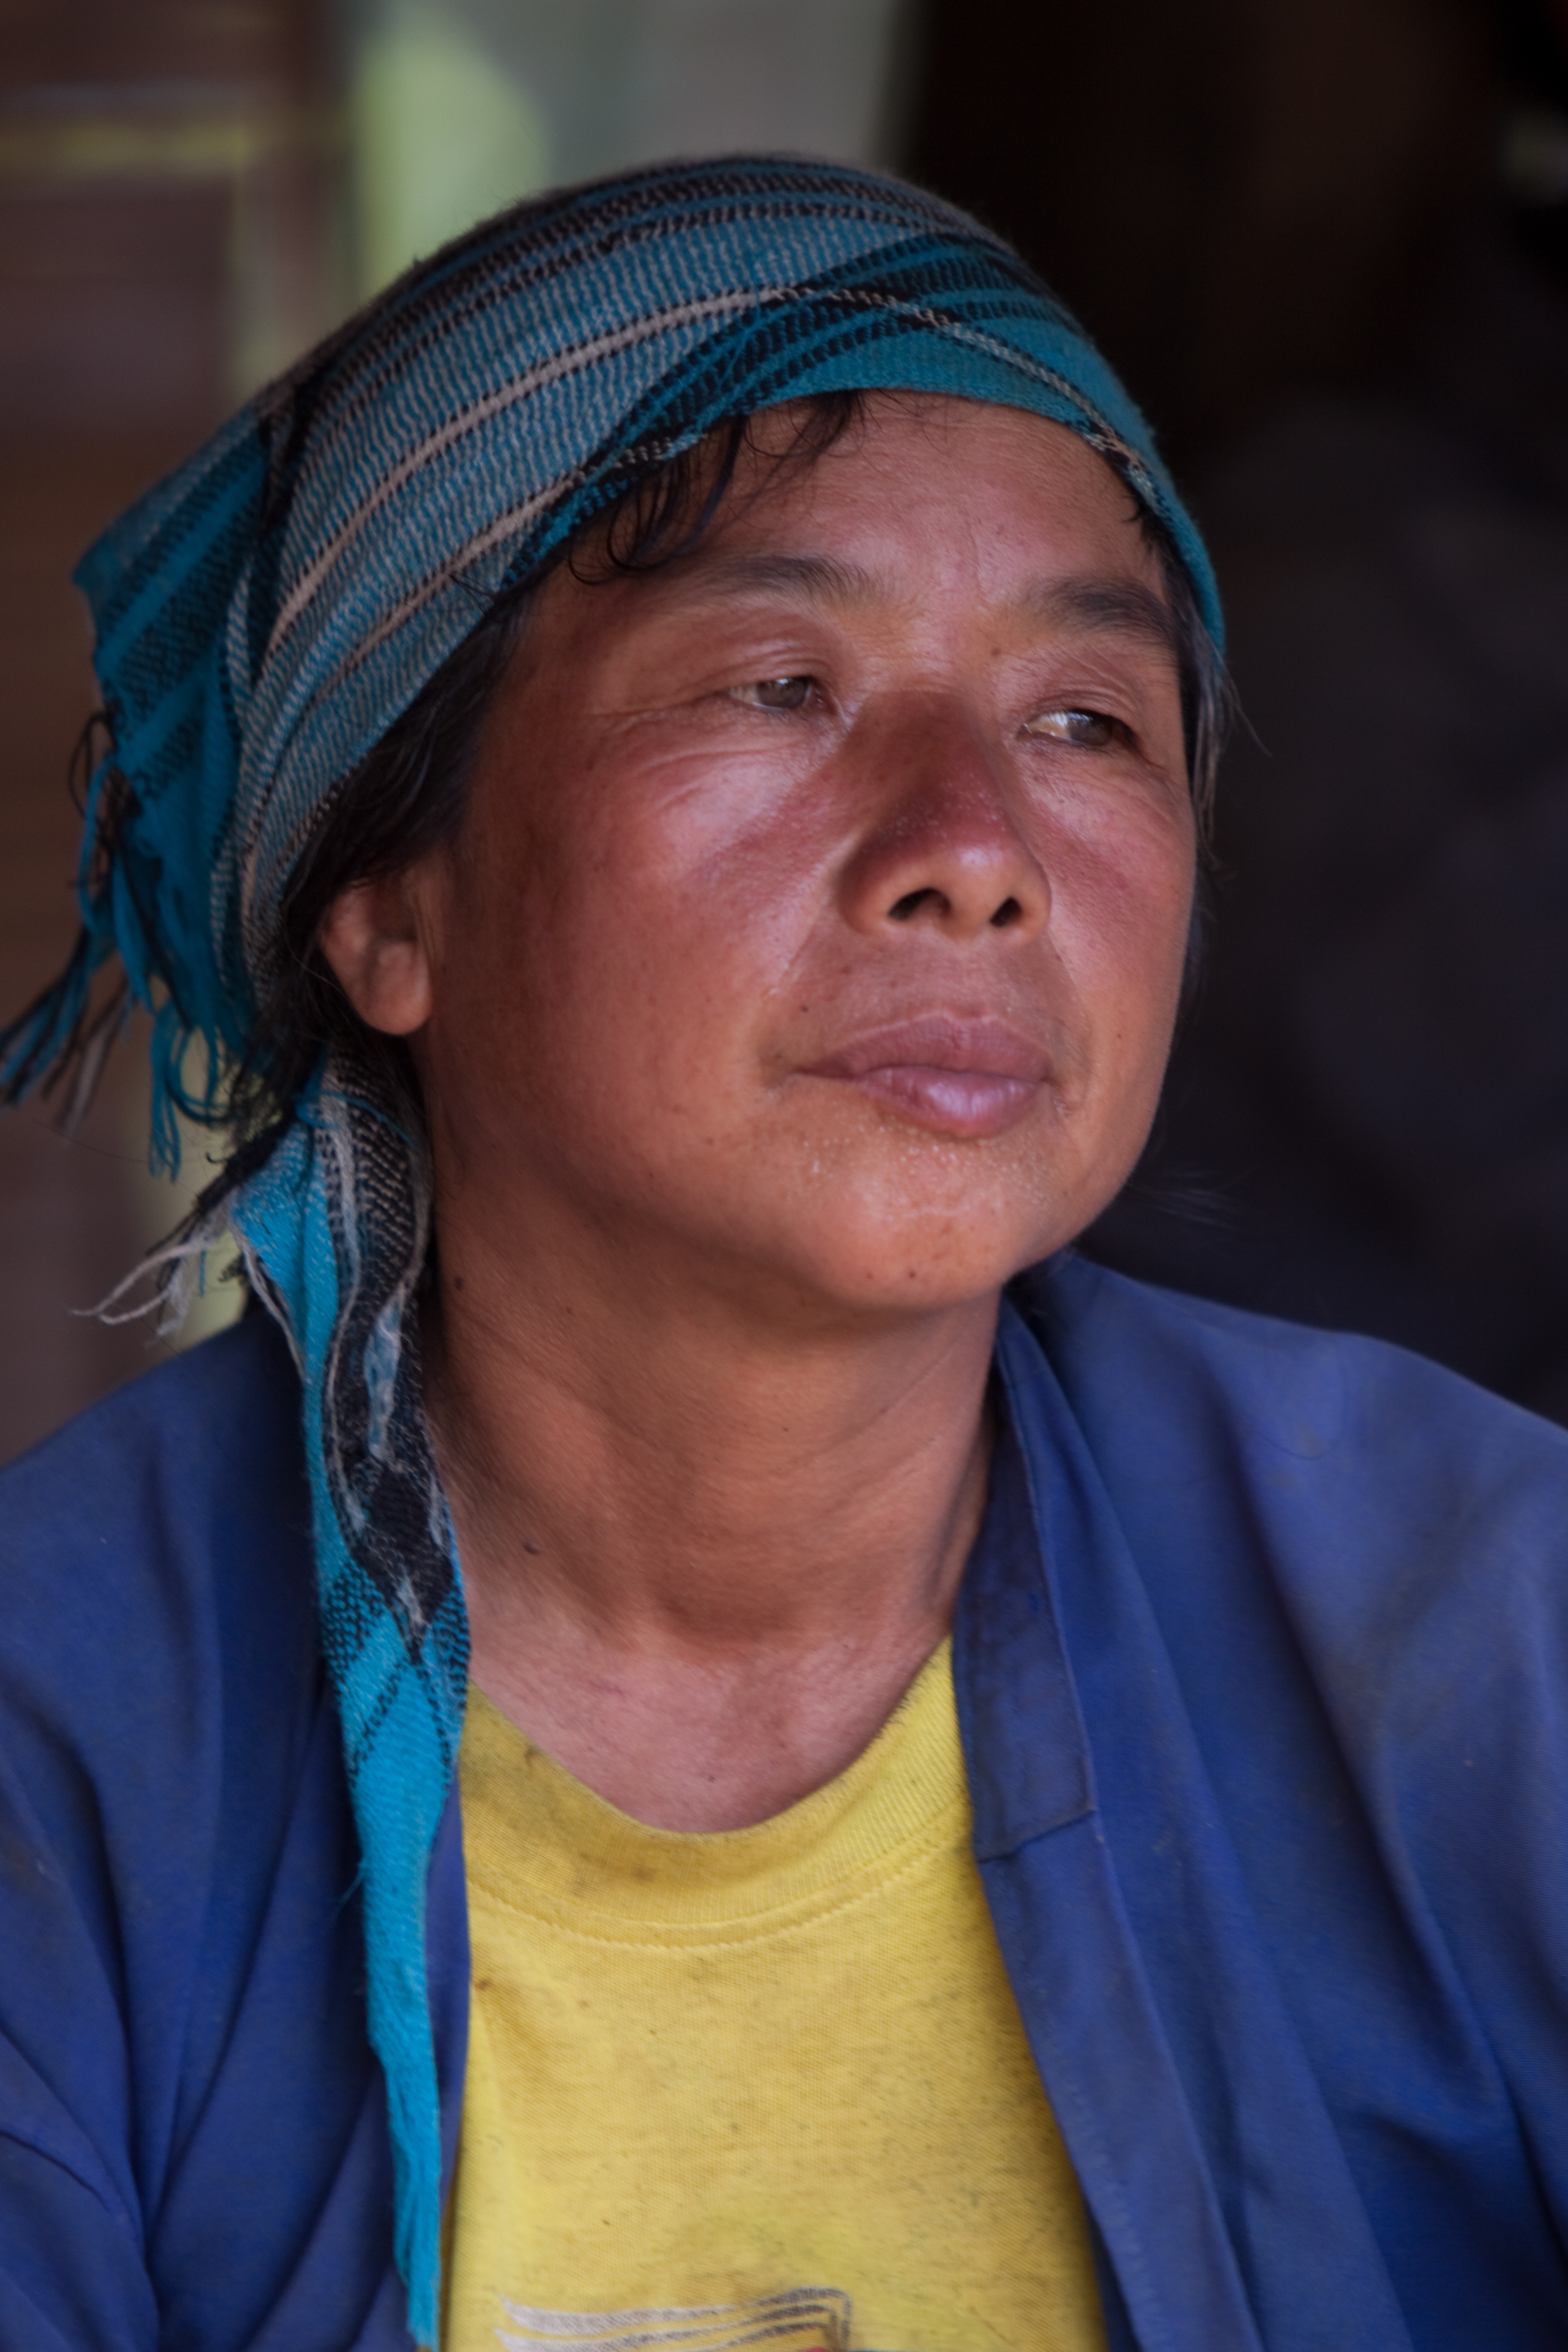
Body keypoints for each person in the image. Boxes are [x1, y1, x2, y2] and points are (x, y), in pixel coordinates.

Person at [1, 157, 1567, 2352]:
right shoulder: (60, 1753)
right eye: (777, 684)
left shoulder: (1486, 1637)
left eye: (1083, 724)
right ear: (388, 898)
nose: (974, 854)